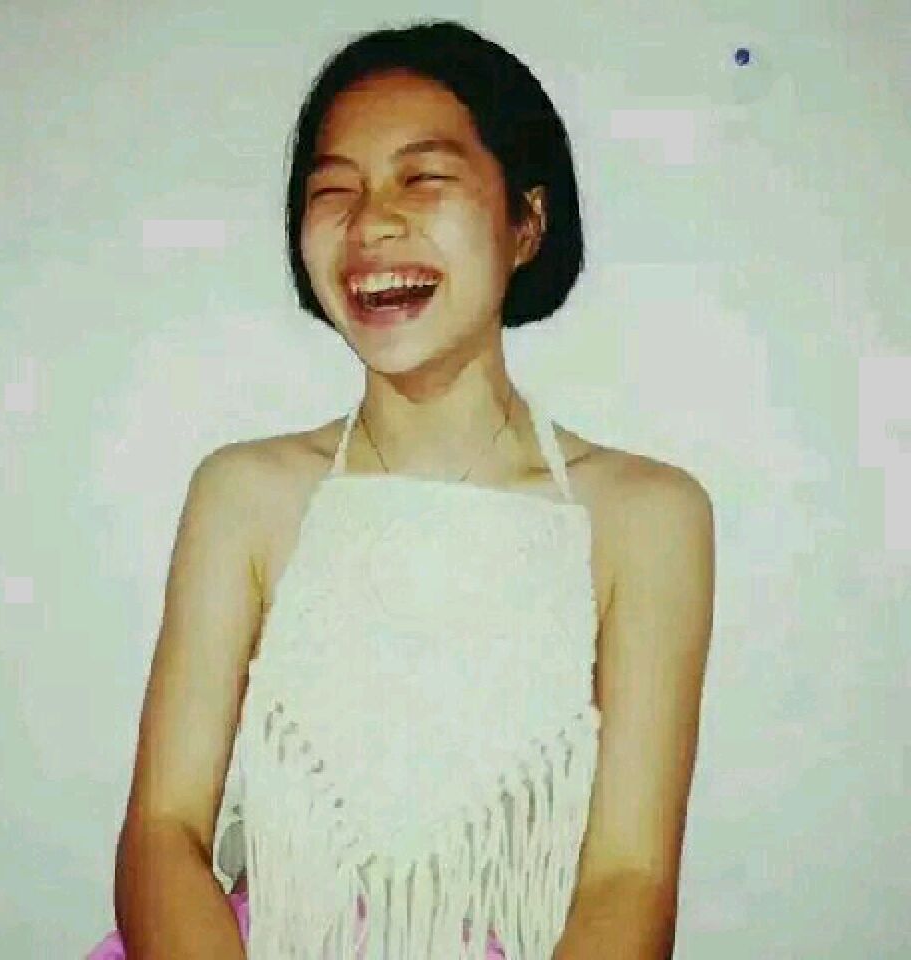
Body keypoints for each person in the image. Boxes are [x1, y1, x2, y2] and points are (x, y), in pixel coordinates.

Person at [92, 17, 715, 960]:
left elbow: (630, 877)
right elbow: (162, 831)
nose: (371, 221)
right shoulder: (243, 495)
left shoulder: (648, 517)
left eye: (424, 178)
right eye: (333, 190)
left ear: (526, 223)